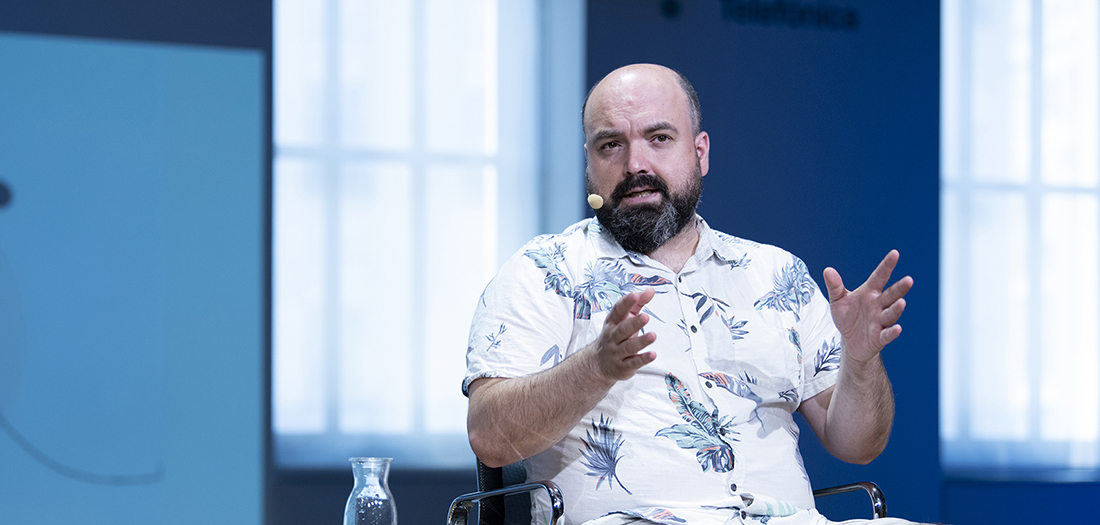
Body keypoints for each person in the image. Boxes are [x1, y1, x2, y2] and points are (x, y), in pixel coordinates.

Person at [464, 63, 921, 525]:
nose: (635, 164)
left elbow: (859, 446)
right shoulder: (544, 270)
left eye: (659, 138)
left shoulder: (777, 274)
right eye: (611, 145)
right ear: (589, 162)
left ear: (700, 153)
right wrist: (596, 367)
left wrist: (861, 362)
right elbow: (490, 438)